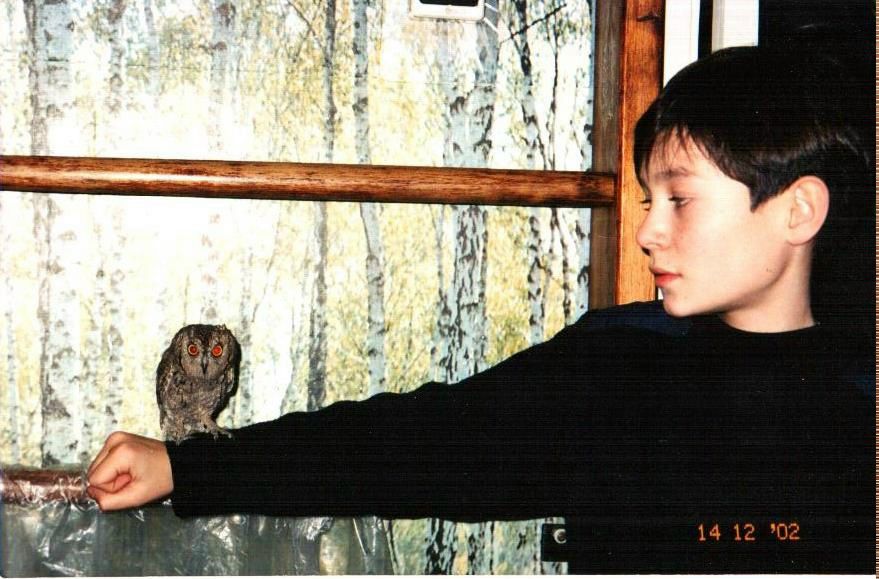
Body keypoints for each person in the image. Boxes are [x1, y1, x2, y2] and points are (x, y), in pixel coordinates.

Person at [87, 45, 874, 573]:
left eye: (680, 199)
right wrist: (187, 465)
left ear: (797, 210)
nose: (645, 232)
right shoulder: (618, 364)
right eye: (645, 199)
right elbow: (403, 443)